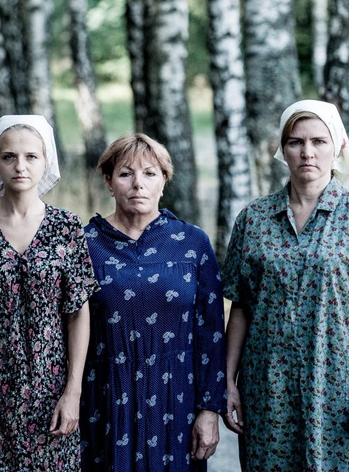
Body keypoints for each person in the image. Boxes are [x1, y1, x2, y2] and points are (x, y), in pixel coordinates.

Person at [222, 100, 349, 470]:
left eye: (318, 141)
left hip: (342, 390)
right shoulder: (254, 219)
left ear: (339, 146)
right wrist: (229, 381)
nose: (307, 152)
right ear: (283, 149)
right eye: (295, 142)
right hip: (269, 391)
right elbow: (242, 306)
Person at [0, 115, 97, 471]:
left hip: (51, 390)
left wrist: (72, 391)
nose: (20, 166)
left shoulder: (66, 227)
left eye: (31, 157)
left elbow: (78, 312)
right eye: (9, 156)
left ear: (46, 161)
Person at [78, 134, 226, 471]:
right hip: (105, 398)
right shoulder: (85, 245)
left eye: (150, 173)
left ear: (164, 182)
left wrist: (209, 410)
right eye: (126, 174)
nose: (138, 184)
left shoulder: (192, 244)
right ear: (109, 183)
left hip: (177, 400)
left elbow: (212, 335)